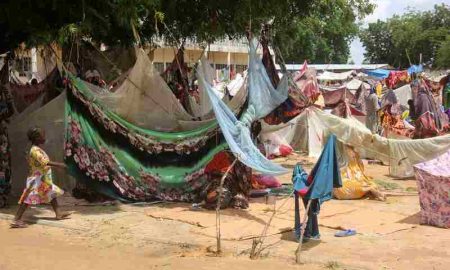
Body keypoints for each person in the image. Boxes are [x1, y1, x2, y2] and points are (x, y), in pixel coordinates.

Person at [11, 127, 70, 228]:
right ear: (37, 138)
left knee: (51, 193)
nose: (44, 137)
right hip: (35, 180)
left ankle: (58, 213)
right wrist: (60, 165)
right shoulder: (35, 151)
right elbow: (45, 162)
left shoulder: (35, 149)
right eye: (43, 135)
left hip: (40, 178)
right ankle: (16, 219)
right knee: (28, 199)